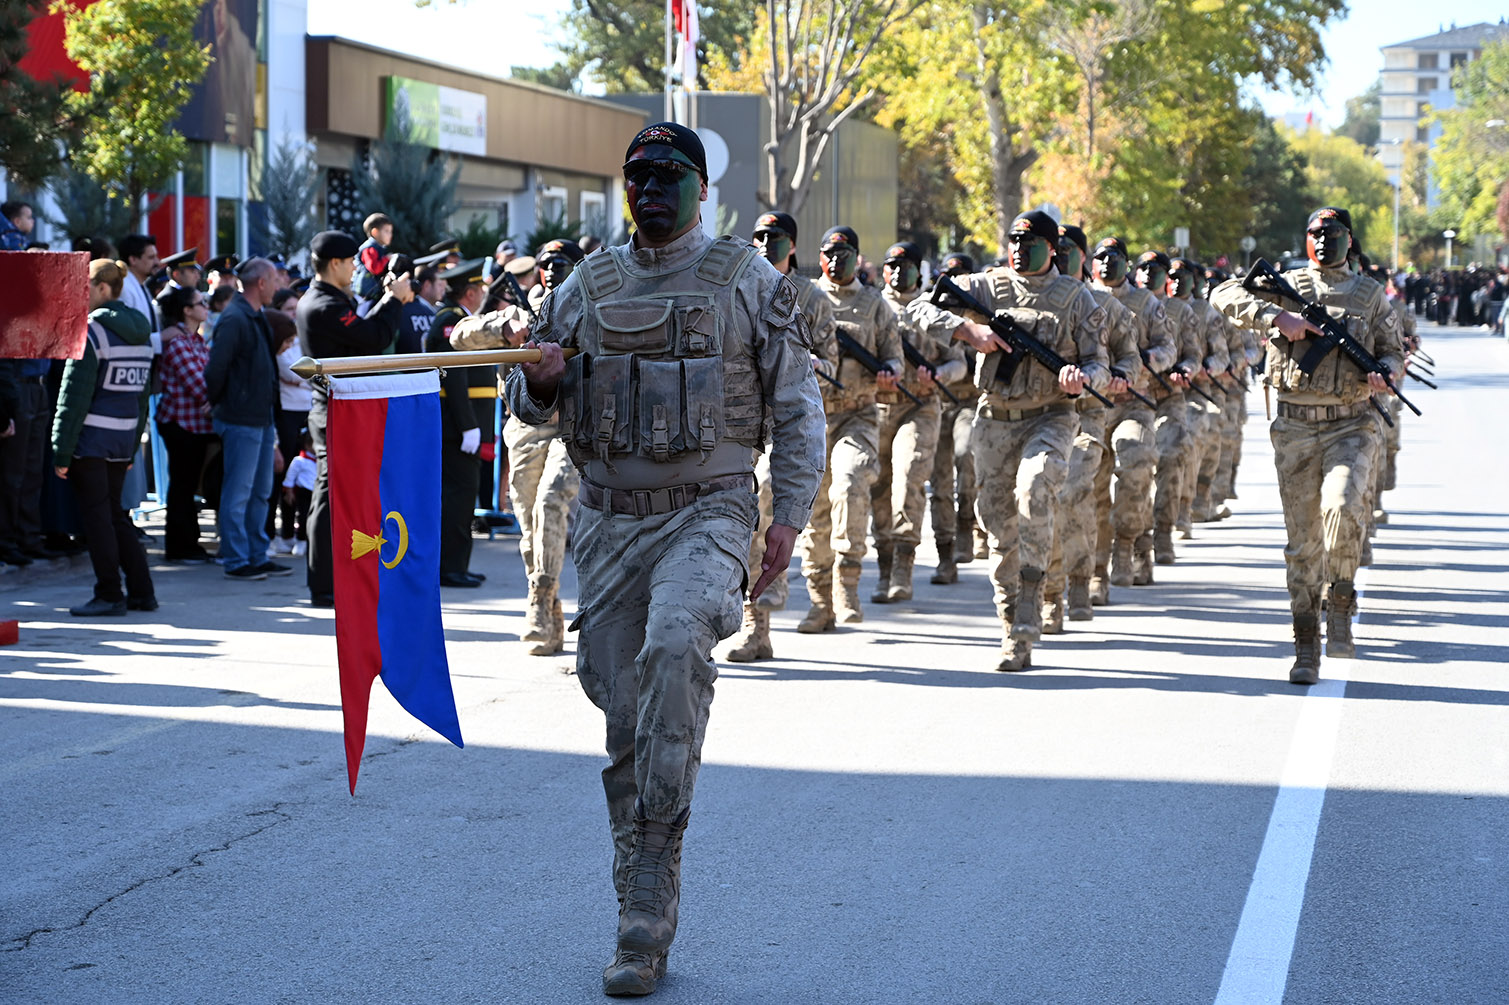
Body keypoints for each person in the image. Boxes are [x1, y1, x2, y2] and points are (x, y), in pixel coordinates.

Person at [504, 121, 825, 996]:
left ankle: (650, 885)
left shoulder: (746, 279)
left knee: (678, 638)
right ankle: (635, 917)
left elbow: (797, 408)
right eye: (635, 174)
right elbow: (530, 405)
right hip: (608, 522)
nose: (647, 188)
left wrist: (785, 520)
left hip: (709, 510)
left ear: (699, 188)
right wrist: (537, 377)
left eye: (666, 174)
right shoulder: (584, 284)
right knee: (624, 718)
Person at [1210, 206, 1403, 685]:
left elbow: (1392, 350)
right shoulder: (1285, 284)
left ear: (1348, 240)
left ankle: (1340, 597)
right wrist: (1276, 315)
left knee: (1342, 506)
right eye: (1314, 232)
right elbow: (1221, 294)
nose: (1321, 240)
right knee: (1302, 545)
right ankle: (1305, 645)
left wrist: (1385, 373)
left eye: (1331, 233)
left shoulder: (1369, 294)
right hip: (1294, 426)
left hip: (1351, 423)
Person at [946, 209, 1110, 671]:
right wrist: (966, 329)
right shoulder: (987, 286)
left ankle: (1026, 623)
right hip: (994, 419)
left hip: (1051, 417)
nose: (1019, 249)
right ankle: (1007, 619)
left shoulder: (1078, 299)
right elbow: (920, 307)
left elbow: (1101, 363)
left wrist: (1083, 377)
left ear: (1050, 248)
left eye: (1029, 242)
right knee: (999, 526)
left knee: (1036, 491)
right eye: (1014, 241)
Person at [449, 242, 586, 653]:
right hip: (525, 427)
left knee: (550, 500)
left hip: (572, 425)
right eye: (544, 265)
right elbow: (458, 336)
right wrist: (502, 330)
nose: (550, 271)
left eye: (560, 264)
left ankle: (540, 600)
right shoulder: (518, 313)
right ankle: (550, 608)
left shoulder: (589, 310)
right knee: (529, 523)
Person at [727, 210, 837, 662]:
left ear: (792, 245)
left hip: (795, 424)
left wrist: (812, 367)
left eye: (775, 237)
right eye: (758, 236)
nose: (765, 243)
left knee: (802, 513)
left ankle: (825, 596)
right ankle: (757, 627)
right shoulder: (741, 287)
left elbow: (834, 364)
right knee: (751, 514)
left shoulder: (812, 298)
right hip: (751, 423)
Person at [296, 230, 413, 607]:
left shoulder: (329, 299)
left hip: (339, 405)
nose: (353, 269)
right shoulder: (324, 304)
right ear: (335, 264)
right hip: (333, 406)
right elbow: (373, 337)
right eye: (349, 262)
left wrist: (386, 297)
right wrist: (393, 300)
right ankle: (324, 583)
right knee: (331, 493)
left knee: (338, 491)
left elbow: (364, 333)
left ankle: (336, 576)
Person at [797, 224, 902, 631]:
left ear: (858, 258)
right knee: (814, 510)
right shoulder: (804, 297)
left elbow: (894, 358)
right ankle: (820, 601)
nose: (836, 259)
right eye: (829, 251)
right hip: (811, 417)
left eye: (845, 252)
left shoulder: (876, 306)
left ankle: (847, 580)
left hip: (856, 416)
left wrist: (890, 372)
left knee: (850, 480)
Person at [50, 260, 156, 615]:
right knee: (115, 516)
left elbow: (73, 398)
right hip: (122, 439)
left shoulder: (91, 332)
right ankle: (142, 592)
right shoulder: (141, 333)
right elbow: (142, 398)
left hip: (92, 441)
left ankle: (110, 594)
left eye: (85, 288)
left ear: (101, 288)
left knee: (97, 521)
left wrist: (61, 451)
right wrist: (130, 449)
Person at [871, 239, 968, 604]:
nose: (898, 273)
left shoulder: (929, 309)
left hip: (921, 407)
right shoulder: (872, 307)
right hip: (879, 407)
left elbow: (960, 363)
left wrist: (940, 374)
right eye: (892, 266)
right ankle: (883, 564)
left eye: (907, 266)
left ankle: (904, 566)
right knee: (878, 486)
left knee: (909, 474)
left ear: (919, 272)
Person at [1088, 238, 1176, 596]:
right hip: (1092, 406)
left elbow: (1168, 348)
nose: (1108, 264)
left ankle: (1127, 544)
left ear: (1126, 264)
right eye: (1101, 258)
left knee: (1137, 463)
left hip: (1135, 403)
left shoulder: (1146, 303)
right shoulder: (1081, 298)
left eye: (1115, 258)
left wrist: (1142, 364)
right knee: (1091, 487)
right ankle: (1095, 568)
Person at [203, 258, 286, 581]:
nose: (278, 286)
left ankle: (255, 554)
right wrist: (224, 403)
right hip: (241, 419)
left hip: (259, 418)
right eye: (274, 281)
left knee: (259, 491)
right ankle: (237, 560)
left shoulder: (252, 315)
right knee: (239, 492)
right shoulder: (235, 318)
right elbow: (215, 372)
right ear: (261, 283)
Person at [424, 259, 494, 588]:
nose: (483, 294)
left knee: (463, 497)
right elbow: (452, 375)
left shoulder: (462, 320)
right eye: (480, 289)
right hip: (457, 428)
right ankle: (449, 567)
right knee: (457, 497)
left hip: (465, 426)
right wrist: (467, 425)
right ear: (469, 292)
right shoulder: (450, 322)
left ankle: (457, 563)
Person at [928, 250, 986, 584]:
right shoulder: (933, 312)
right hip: (936, 403)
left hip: (969, 401)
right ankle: (944, 553)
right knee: (938, 483)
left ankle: (967, 523)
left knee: (967, 456)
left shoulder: (979, 314)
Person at [154, 285, 217, 563]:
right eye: (199, 303)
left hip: (196, 425)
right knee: (181, 486)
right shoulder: (179, 343)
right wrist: (215, 400)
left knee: (188, 485)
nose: (205, 307)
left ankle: (189, 543)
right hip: (181, 424)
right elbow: (199, 384)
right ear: (187, 311)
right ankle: (179, 547)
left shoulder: (196, 340)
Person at [268, 309, 310, 555]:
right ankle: (274, 534)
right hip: (285, 414)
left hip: (305, 411)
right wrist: (302, 379)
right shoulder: (276, 345)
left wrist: (301, 380)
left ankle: (294, 532)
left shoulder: (300, 338)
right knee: (281, 474)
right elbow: (290, 369)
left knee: (301, 477)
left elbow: (309, 371)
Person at [280, 428, 316, 556]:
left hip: (316, 495)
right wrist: (288, 492)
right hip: (303, 494)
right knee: (303, 518)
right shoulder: (299, 461)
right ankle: (301, 541)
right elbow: (290, 477)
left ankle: (312, 542)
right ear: (307, 445)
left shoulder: (322, 460)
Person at [117, 234, 161, 333]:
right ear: (133, 260)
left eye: (156, 257)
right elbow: (129, 332)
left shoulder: (141, 285)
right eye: (151, 257)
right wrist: (161, 337)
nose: (157, 262)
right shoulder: (124, 288)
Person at [398, 265, 443, 355]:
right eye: (440, 285)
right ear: (426, 285)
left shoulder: (403, 308)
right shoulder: (431, 312)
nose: (443, 289)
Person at [353, 212, 394, 309]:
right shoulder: (370, 248)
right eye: (387, 231)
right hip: (365, 293)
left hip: (372, 291)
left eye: (391, 231)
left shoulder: (378, 248)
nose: (390, 235)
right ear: (375, 232)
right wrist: (387, 259)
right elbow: (374, 268)